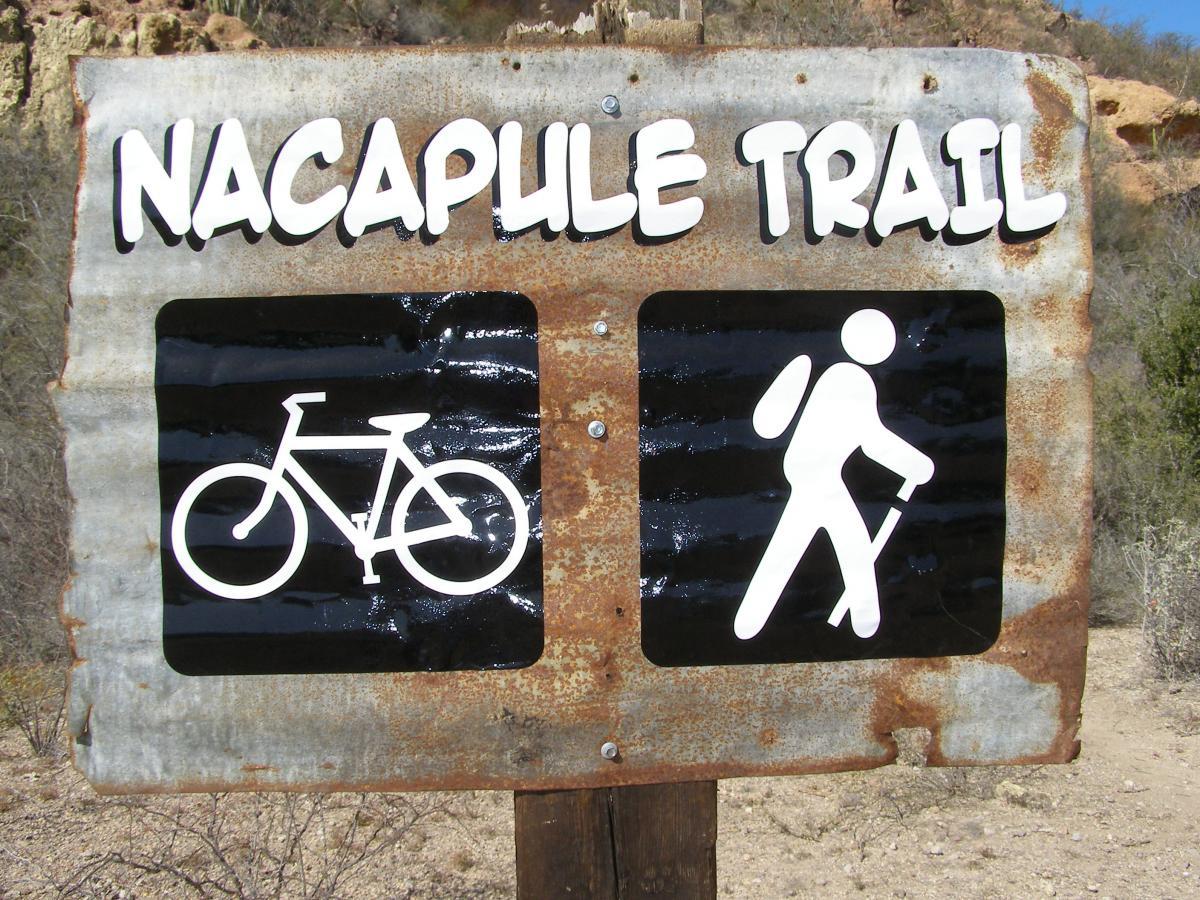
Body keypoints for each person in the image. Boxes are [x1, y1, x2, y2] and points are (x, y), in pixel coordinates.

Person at [734, 308, 935, 641]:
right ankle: (863, 623)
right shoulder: (852, 380)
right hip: (819, 478)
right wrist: (916, 466)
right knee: (848, 542)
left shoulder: (832, 371)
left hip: (811, 476)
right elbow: (871, 441)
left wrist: (913, 465)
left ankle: (752, 622)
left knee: (794, 547)